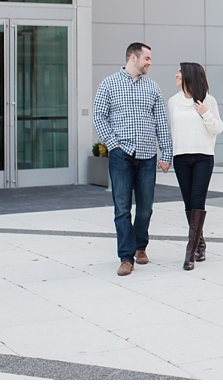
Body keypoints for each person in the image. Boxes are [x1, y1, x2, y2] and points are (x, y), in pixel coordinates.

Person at [93, 43, 172, 276]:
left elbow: (161, 122)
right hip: (121, 155)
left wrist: (166, 153)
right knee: (122, 208)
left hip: (148, 155)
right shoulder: (109, 84)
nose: (150, 62)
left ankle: (141, 246)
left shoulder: (153, 87)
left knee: (145, 208)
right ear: (133, 57)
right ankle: (126, 257)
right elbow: (99, 116)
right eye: (147, 58)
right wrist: (112, 145)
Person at [168, 62, 223, 270]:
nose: (176, 75)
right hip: (181, 157)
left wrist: (206, 113)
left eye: (179, 73)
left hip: (203, 157)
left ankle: (189, 253)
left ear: (189, 76)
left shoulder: (209, 100)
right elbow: (172, 131)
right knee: (188, 204)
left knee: (198, 201)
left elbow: (217, 128)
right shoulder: (173, 102)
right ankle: (200, 243)